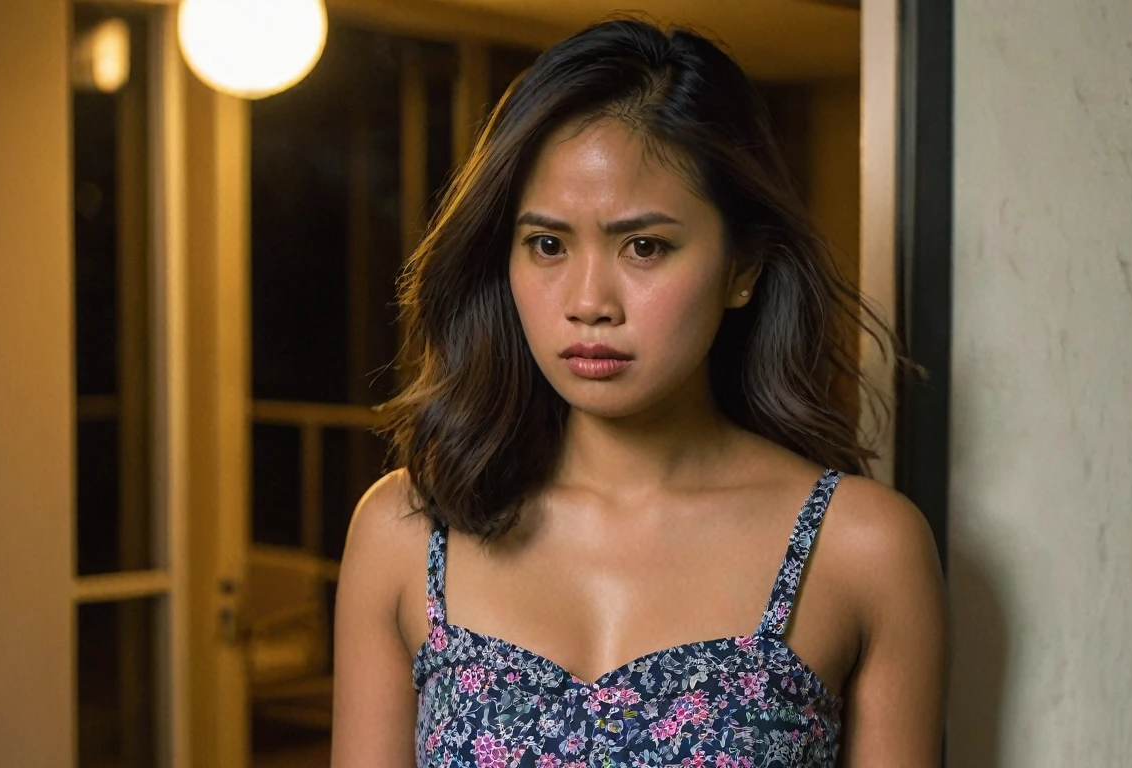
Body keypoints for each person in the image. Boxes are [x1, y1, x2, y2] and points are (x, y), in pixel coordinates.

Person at [331, 17, 947, 767]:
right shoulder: (405, 530)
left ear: (743, 267)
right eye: (548, 245)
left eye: (644, 246)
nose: (589, 301)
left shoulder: (861, 549)